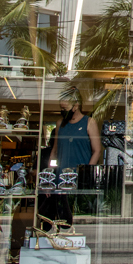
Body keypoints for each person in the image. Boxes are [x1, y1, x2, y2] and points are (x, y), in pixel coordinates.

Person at [45, 90, 102, 223]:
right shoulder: (60, 124)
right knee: (61, 218)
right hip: (60, 180)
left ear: (75, 106)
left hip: (80, 180)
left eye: (65, 108)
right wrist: (49, 178)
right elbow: (54, 152)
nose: (63, 111)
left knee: (79, 217)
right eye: (61, 108)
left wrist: (85, 172)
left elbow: (97, 151)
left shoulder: (89, 122)